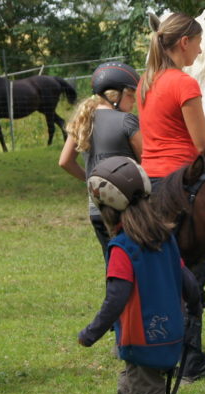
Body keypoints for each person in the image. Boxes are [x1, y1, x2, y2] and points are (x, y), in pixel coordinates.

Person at [77, 156, 202, 394]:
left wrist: (90, 333)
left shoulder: (121, 248)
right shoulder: (164, 238)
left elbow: (116, 299)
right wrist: (192, 307)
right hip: (167, 337)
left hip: (140, 341)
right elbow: (189, 283)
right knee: (129, 393)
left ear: (109, 211)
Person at [136, 11, 205, 382]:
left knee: (165, 271)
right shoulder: (183, 83)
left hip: (152, 186)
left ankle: (161, 353)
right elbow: (203, 142)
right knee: (193, 271)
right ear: (184, 43)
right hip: (183, 185)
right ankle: (192, 362)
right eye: (199, 41)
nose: (202, 49)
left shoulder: (147, 82)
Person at [59, 62, 143, 260]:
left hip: (96, 208)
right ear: (114, 95)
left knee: (113, 264)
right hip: (127, 208)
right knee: (134, 264)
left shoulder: (82, 121)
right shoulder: (127, 121)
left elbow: (64, 161)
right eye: (130, 96)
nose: (133, 102)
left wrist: (91, 179)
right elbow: (146, 159)